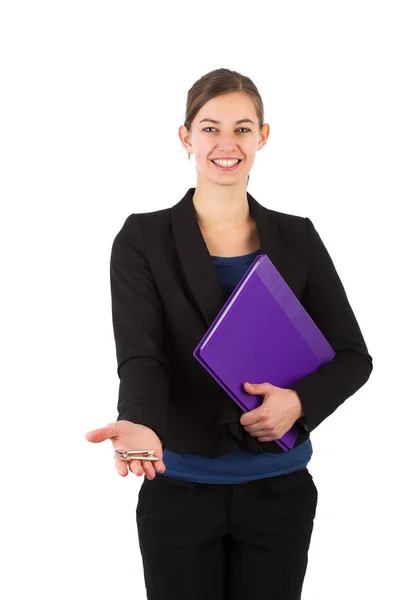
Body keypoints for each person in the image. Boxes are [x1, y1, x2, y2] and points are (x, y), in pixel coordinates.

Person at [85, 68, 373, 600]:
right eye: (210, 127)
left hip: (279, 492)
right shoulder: (143, 238)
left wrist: (299, 402)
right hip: (179, 488)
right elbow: (143, 357)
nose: (226, 144)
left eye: (243, 129)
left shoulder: (297, 236)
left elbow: (354, 356)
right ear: (186, 137)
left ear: (263, 137)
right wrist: (139, 422)